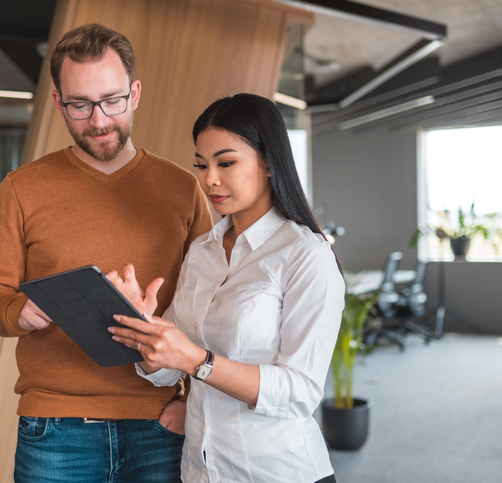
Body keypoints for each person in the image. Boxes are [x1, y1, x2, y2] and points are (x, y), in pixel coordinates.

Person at [0, 23, 212, 482]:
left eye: (112, 100)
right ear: (59, 102)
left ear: (134, 93)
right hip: (55, 428)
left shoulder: (184, 189)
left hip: (160, 421)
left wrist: (188, 399)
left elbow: (210, 311)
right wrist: (20, 311)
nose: (98, 121)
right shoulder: (22, 189)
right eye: (79, 105)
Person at [107, 93, 345, 483]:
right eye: (201, 165)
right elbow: (165, 370)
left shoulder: (305, 255)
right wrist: (146, 330)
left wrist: (197, 361)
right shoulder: (202, 250)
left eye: (226, 163)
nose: (209, 179)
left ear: (268, 162)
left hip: (276, 472)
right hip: (201, 471)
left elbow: (299, 392)